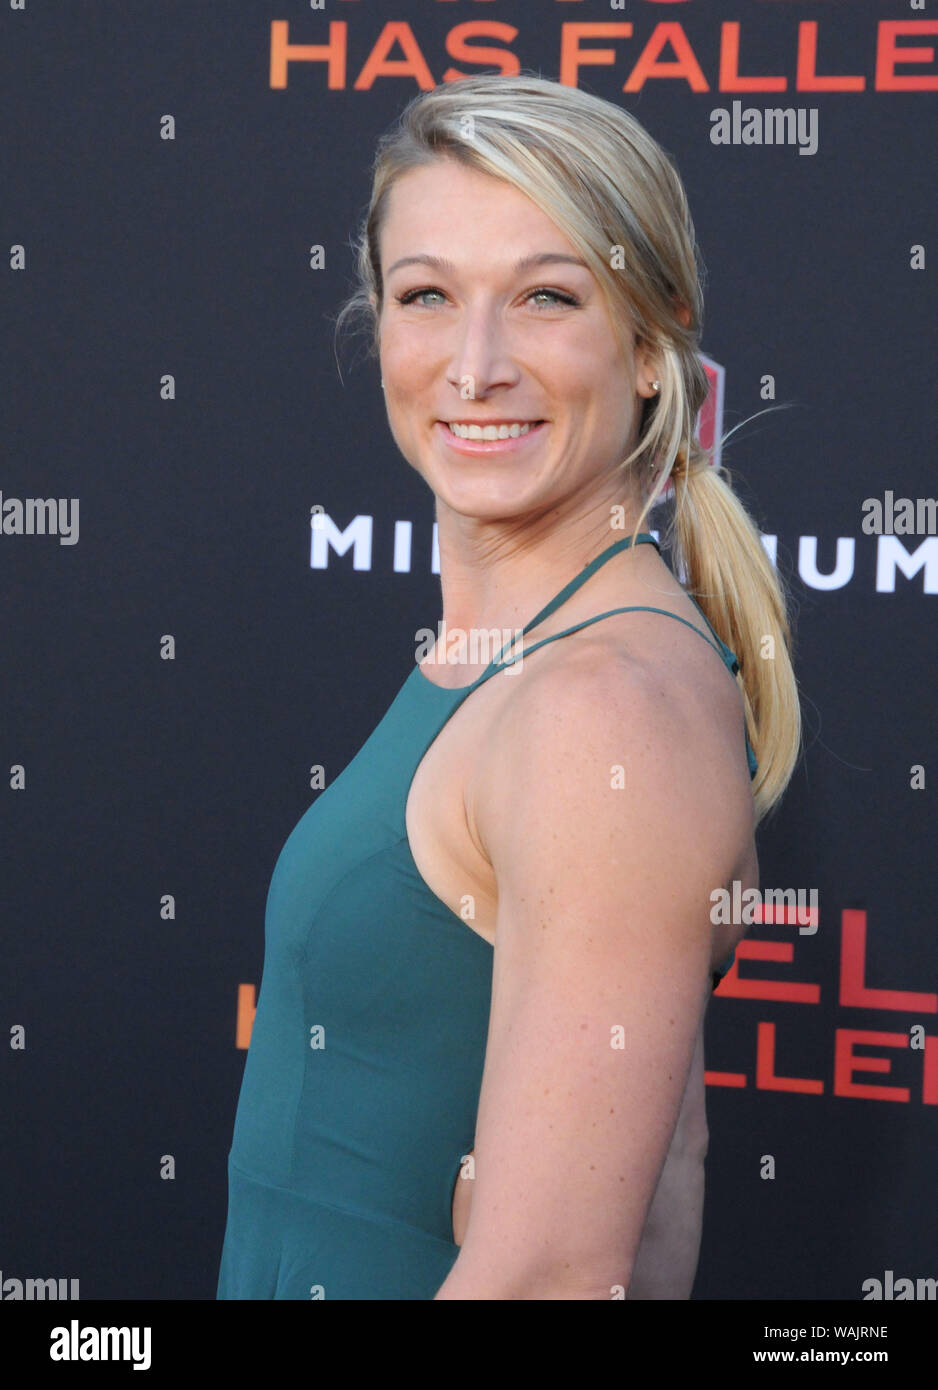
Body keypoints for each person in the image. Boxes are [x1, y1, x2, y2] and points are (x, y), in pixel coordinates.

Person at [216, 72, 801, 1301]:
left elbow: (547, 1277)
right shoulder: (514, 658)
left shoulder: (600, 711)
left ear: (650, 347)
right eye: (427, 295)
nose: (474, 366)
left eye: (544, 297)